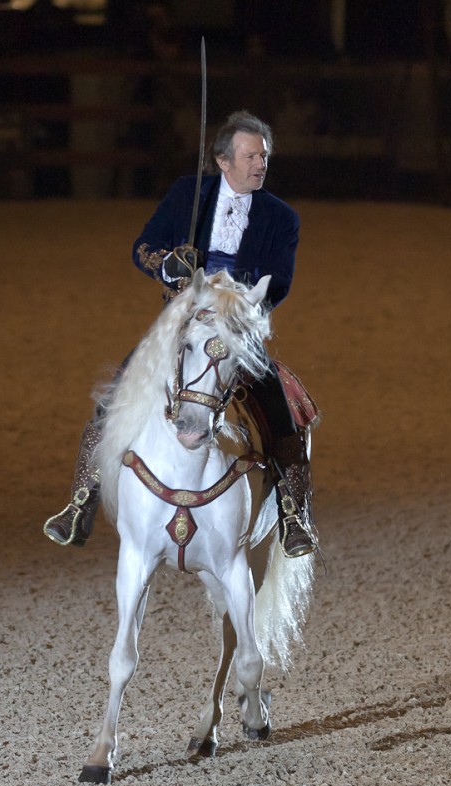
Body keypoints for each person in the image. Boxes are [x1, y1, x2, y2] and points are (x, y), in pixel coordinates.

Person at [44, 110, 318, 558]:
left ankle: (294, 514)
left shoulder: (282, 218)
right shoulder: (187, 194)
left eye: (264, 157)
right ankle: (81, 501)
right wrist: (168, 264)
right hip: (181, 321)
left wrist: (240, 309)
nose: (260, 164)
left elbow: (279, 282)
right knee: (115, 397)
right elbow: (143, 247)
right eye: (250, 156)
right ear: (223, 161)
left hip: (234, 324)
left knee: (274, 402)